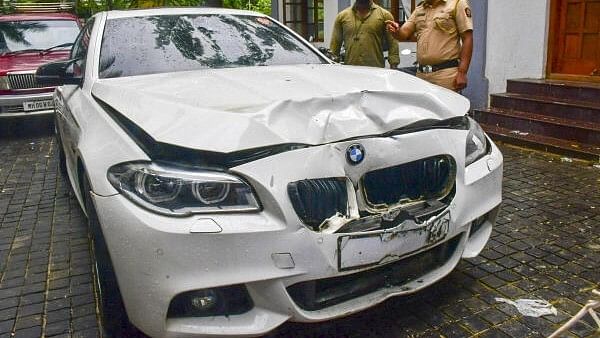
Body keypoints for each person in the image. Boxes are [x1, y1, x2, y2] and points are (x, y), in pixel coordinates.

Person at [386, 0, 473, 91]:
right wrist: (396, 31)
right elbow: (404, 34)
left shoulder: (457, 3)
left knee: (445, 105)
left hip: (446, 75)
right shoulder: (419, 9)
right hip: (422, 75)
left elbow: (467, 38)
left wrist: (462, 72)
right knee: (421, 105)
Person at [330, 0, 400, 69]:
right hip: (350, 70)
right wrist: (332, 68)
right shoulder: (342, 17)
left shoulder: (385, 15)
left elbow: (392, 43)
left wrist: (394, 66)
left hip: (376, 70)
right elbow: (335, 45)